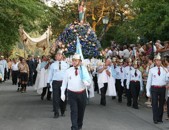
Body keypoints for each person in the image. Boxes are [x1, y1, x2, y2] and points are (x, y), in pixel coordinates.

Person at [61, 53, 91, 130]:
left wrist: (86, 83)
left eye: (76, 60)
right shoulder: (68, 71)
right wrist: (62, 93)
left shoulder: (84, 70)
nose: (74, 62)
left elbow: (89, 82)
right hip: (72, 94)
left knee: (81, 112)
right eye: (73, 60)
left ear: (79, 61)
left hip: (82, 94)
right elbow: (64, 83)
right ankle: (74, 127)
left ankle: (79, 125)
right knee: (74, 111)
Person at [146, 54, 169, 124]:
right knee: (155, 103)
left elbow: (167, 80)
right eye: (157, 60)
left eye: (159, 60)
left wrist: (167, 72)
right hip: (154, 88)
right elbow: (149, 81)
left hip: (162, 88)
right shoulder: (152, 70)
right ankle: (155, 118)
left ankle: (159, 118)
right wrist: (147, 91)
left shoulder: (164, 70)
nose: (158, 62)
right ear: (155, 61)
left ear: (161, 61)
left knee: (161, 104)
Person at [47, 50, 70, 118]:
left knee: (63, 98)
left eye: (60, 55)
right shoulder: (53, 65)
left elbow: (68, 75)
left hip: (63, 83)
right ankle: (56, 113)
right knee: (55, 98)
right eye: (57, 55)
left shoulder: (66, 65)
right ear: (56, 57)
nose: (58, 56)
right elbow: (50, 74)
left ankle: (62, 111)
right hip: (55, 82)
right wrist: (48, 82)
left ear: (62, 56)